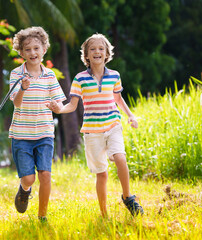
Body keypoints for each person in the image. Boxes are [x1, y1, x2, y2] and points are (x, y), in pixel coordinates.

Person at [46, 33, 144, 217]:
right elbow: (72, 105)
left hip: (113, 125)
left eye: (101, 48)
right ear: (86, 55)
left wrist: (130, 115)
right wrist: (58, 109)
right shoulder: (80, 79)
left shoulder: (114, 76)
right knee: (102, 174)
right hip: (92, 132)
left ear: (107, 53)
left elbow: (118, 98)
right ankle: (104, 213)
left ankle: (128, 197)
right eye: (92, 49)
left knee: (120, 158)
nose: (97, 51)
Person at [8, 26, 66, 222]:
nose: (32, 52)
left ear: (43, 49)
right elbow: (16, 102)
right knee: (29, 179)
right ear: (21, 52)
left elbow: (59, 102)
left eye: (36, 48)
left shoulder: (49, 75)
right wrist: (23, 88)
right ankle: (24, 190)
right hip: (21, 135)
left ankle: (42, 216)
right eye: (27, 49)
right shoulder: (16, 74)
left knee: (45, 176)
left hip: (44, 133)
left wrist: (56, 106)